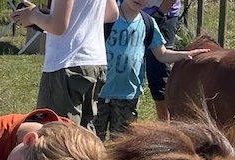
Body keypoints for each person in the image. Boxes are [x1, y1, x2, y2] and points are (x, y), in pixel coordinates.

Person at [95, 0, 205, 140]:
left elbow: (162, 54)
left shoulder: (148, 23)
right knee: (94, 141)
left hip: (128, 96)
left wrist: (185, 54)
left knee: (122, 144)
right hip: (99, 93)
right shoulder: (106, 17)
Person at [11, 0, 120, 131]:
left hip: (67, 64)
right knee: (84, 135)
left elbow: (58, 26)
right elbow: (112, 13)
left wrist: (33, 15)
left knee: (57, 135)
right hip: (95, 62)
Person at [143, 0, 183, 121]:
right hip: (128, 10)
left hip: (162, 12)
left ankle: (165, 125)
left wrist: (160, 12)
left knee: (159, 70)